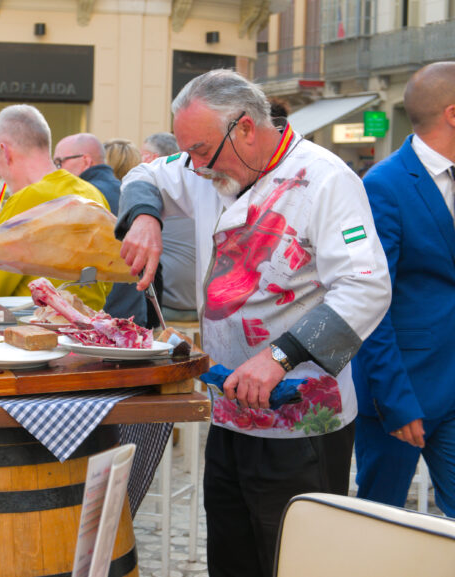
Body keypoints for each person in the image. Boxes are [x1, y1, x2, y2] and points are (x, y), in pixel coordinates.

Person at [117, 69, 391, 577]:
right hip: (229, 415)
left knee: (295, 563)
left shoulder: (327, 179)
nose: (194, 168)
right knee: (232, 555)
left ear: (244, 128)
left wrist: (280, 356)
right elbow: (146, 174)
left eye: (201, 151)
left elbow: (367, 286)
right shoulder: (207, 167)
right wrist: (145, 217)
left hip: (302, 422)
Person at [352, 61, 455, 517]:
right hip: (401, 390)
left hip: (452, 388)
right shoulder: (383, 185)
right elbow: (369, 302)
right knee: (380, 522)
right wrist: (394, 400)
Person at [0, 105, 110, 310]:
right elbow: (107, 280)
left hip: (34, 331)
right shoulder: (93, 194)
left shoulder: (27, 199)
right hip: (90, 329)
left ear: (5, 152)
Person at [53, 132, 146, 324]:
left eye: (60, 162)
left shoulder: (84, 197)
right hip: (134, 309)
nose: (57, 170)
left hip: (104, 318)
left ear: (85, 160)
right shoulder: (125, 189)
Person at [141, 132, 198, 322]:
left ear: (153, 159)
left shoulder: (152, 195)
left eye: (143, 155)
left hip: (169, 307)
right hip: (204, 303)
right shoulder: (199, 190)